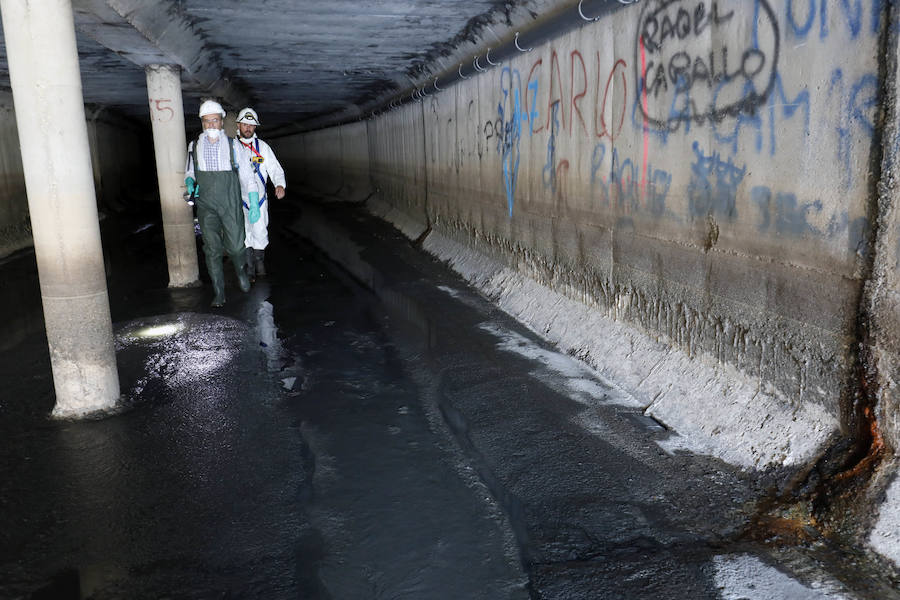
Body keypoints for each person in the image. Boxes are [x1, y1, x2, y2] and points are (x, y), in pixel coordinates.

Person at [184, 100, 253, 307]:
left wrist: (254, 203)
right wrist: (189, 182)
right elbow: (190, 171)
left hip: (230, 202)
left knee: (236, 246)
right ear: (202, 123)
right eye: (206, 122)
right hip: (206, 204)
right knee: (211, 249)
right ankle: (219, 292)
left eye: (215, 121)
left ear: (222, 122)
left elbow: (247, 176)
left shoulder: (234, 145)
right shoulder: (194, 145)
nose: (211, 125)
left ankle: (241, 271)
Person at [234, 107, 286, 280]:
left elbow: (274, 168)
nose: (248, 128)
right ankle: (249, 267)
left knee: (260, 231)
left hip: (260, 199)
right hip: (238, 199)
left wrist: (279, 184)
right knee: (244, 232)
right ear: (239, 125)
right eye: (245, 124)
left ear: (255, 127)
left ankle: (260, 263)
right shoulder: (231, 147)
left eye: (251, 125)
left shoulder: (262, 147)